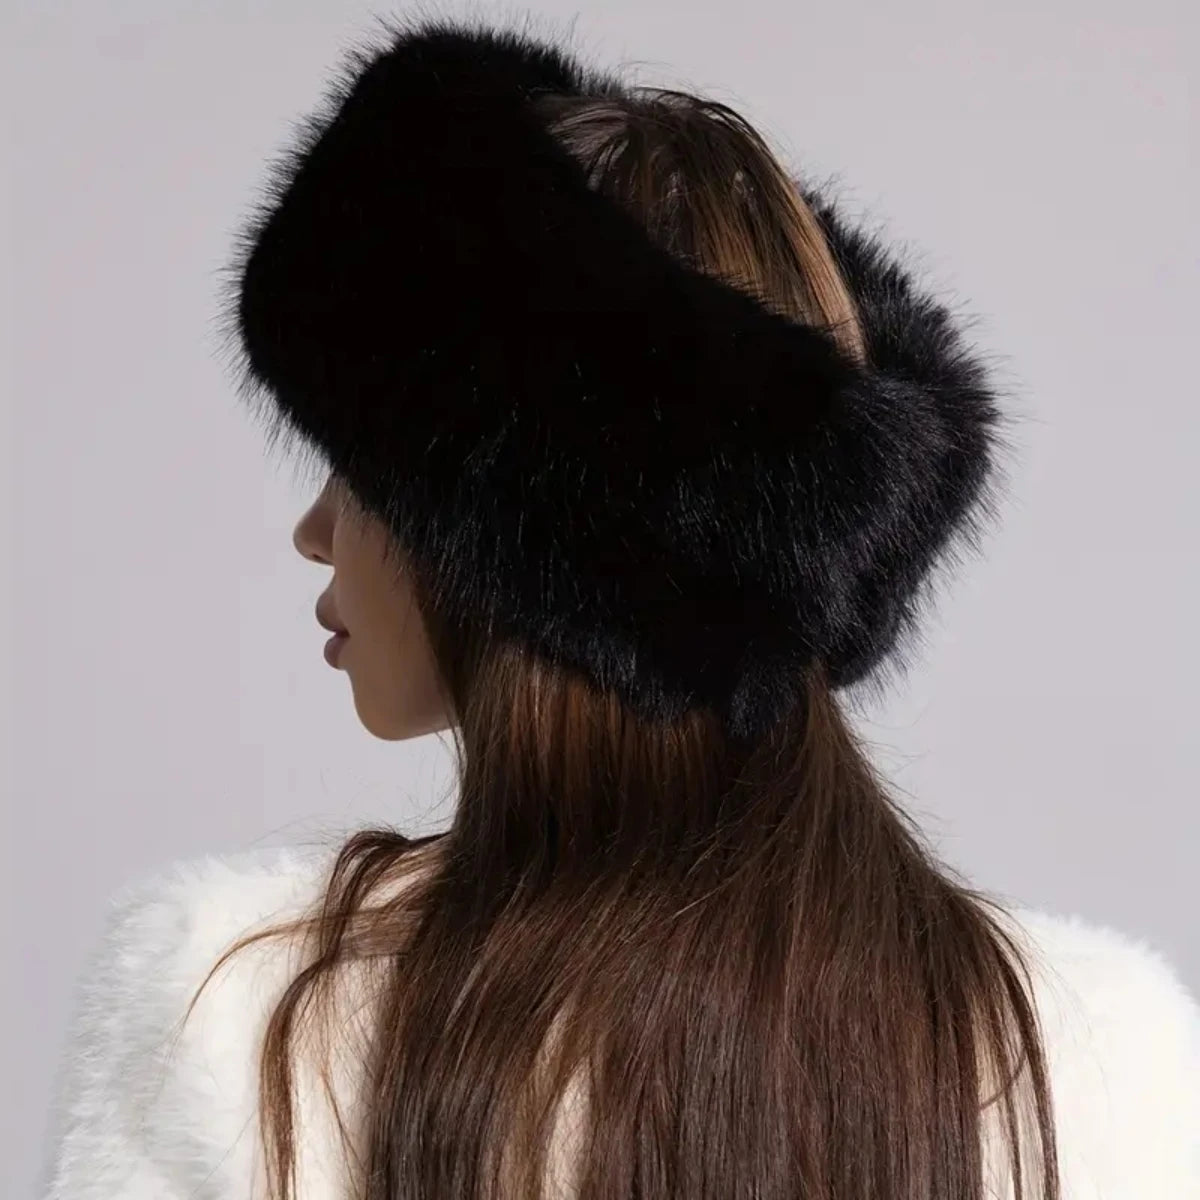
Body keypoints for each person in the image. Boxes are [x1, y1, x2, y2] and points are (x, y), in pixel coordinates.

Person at [39, 14, 1200, 1200]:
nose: (314, 530)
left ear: (516, 533)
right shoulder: (1098, 1058)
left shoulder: (227, 1020)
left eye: (363, 471)